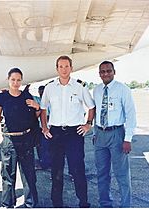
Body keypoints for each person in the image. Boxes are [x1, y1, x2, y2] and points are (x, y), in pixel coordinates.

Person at [40, 55, 95, 208]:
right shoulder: (50, 87)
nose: (64, 69)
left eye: (66, 66)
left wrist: (88, 124)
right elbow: (43, 108)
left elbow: (91, 106)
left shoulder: (80, 86)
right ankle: (57, 204)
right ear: (57, 69)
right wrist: (44, 127)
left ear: (71, 68)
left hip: (74, 134)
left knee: (77, 170)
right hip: (56, 133)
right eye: (61, 66)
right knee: (56, 171)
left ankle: (83, 202)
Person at [93, 60, 136, 207]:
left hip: (117, 134)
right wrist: (94, 133)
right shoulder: (97, 90)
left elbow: (131, 115)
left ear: (114, 72)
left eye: (108, 71)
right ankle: (105, 203)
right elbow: (97, 112)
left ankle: (125, 205)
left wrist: (128, 139)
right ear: (99, 74)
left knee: (122, 174)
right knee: (102, 173)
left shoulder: (123, 89)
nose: (106, 74)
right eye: (103, 71)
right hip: (100, 135)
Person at [0, 68, 39, 208]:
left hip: (25, 139)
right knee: (8, 175)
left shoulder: (27, 96)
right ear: (8, 80)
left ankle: (30, 204)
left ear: (21, 81)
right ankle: (8, 204)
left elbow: (35, 116)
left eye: (18, 80)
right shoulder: (2, 97)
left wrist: (37, 106)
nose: (15, 82)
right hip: (9, 140)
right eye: (13, 79)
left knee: (29, 174)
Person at [33, 85, 51, 170]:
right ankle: (42, 161)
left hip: (47, 128)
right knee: (39, 146)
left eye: (43, 91)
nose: (41, 93)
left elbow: (49, 115)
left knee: (45, 147)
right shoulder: (37, 100)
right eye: (40, 91)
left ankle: (45, 164)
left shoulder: (49, 102)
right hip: (38, 128)